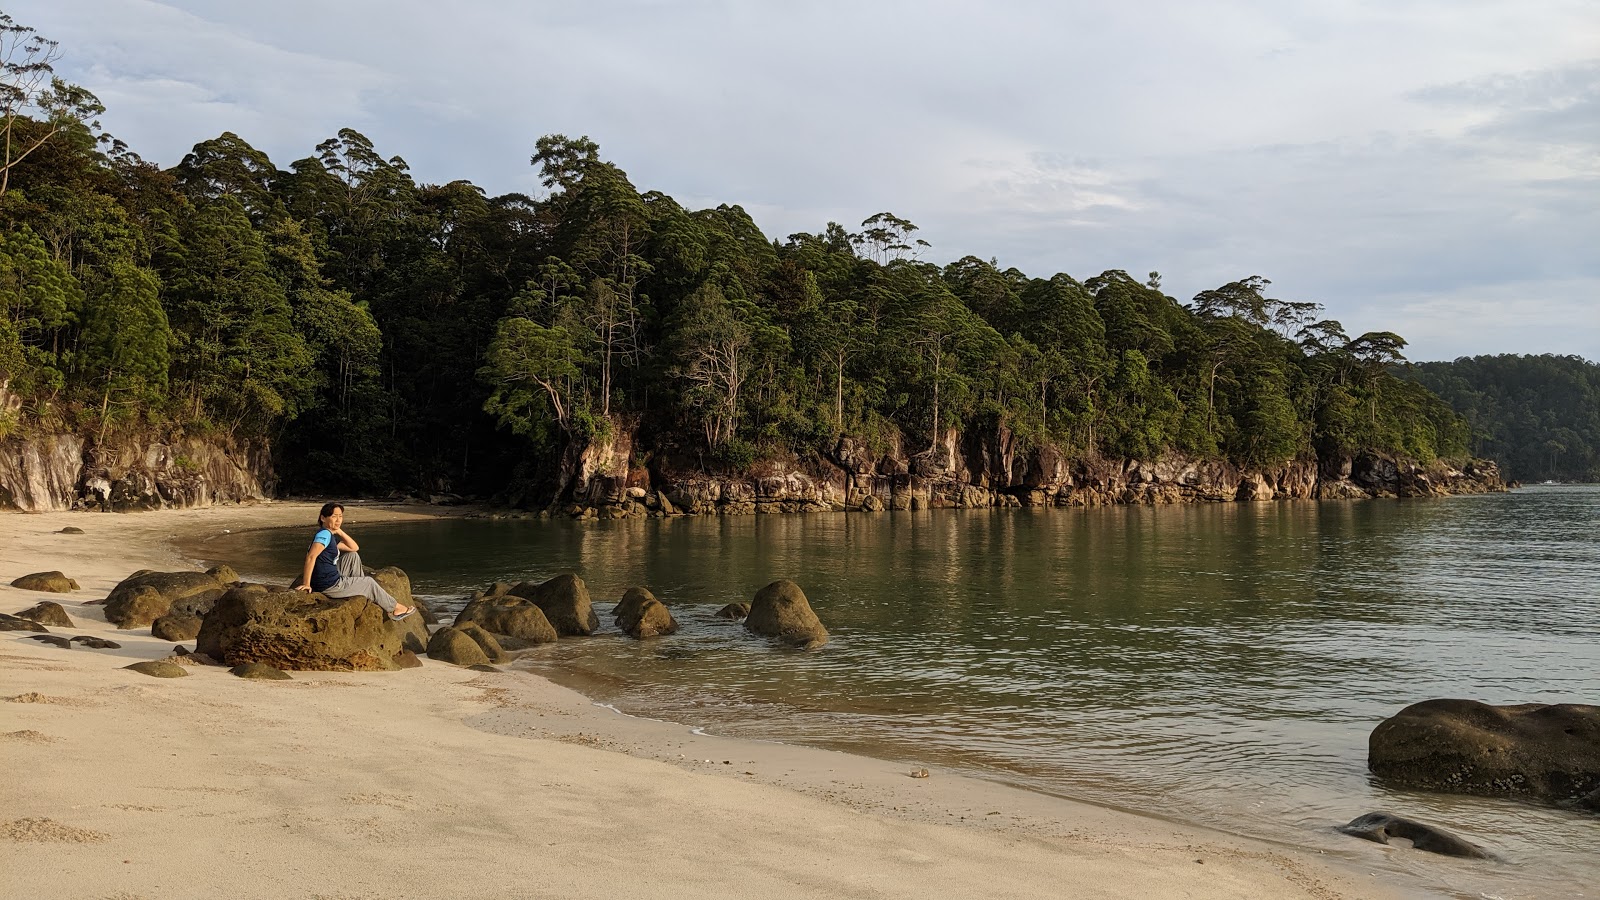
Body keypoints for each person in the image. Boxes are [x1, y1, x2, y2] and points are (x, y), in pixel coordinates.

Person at [296, 502, 414, 620]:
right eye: (334, 516)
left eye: (340, 516)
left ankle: (360, 588)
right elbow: (311, 557)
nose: (338, 520)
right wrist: (306, 584)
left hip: (327, 578)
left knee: (352, 556)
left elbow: (354, 547)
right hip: (329, 585)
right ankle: (394, 609)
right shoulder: (324, 535)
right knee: (369, 582)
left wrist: (339, 531)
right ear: (323, 518)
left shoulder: (327, 534)